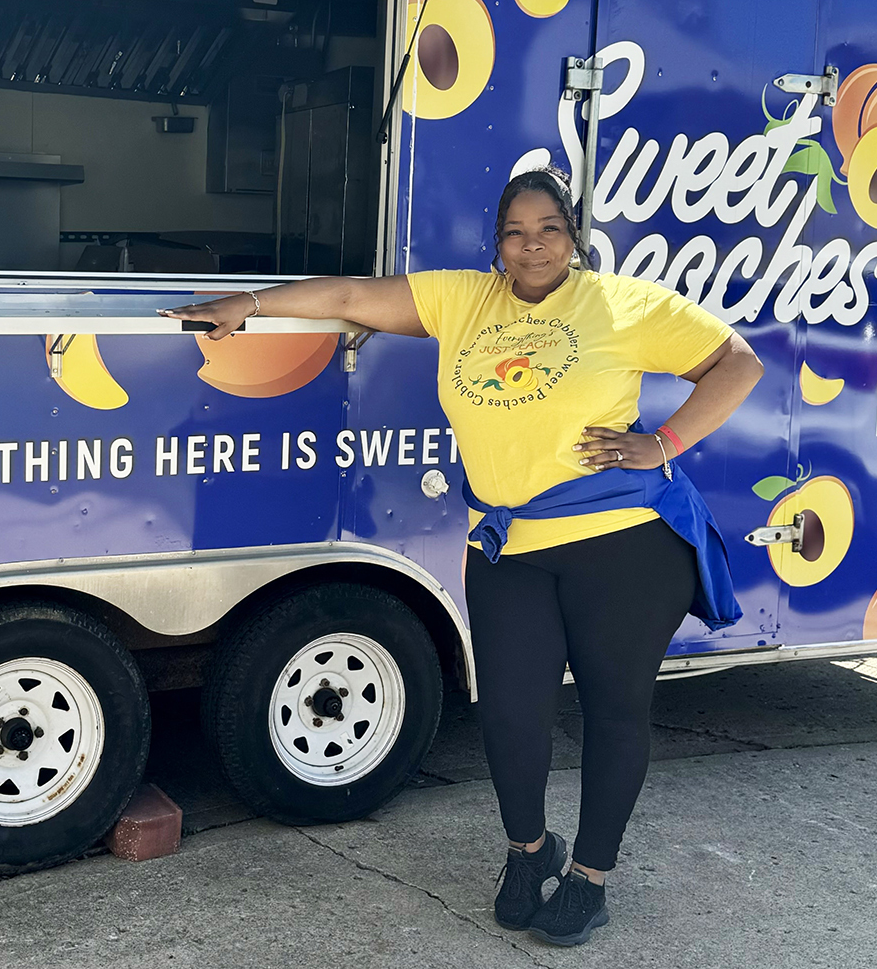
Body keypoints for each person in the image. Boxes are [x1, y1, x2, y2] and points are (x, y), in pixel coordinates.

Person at [162, 166, 763, 946]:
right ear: (497, 243)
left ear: (572, 235)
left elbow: (737, 362)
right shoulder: (464, 300)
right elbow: (348, 298)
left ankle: (591, 875)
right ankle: (528, 849)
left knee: (615, 711)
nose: (532, 243)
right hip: (509, 544)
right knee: (511, 714)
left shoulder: (623, 305)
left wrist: (663, 442)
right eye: (515, 230)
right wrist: (249, 304)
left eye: (549, 227)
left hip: (623, 544)